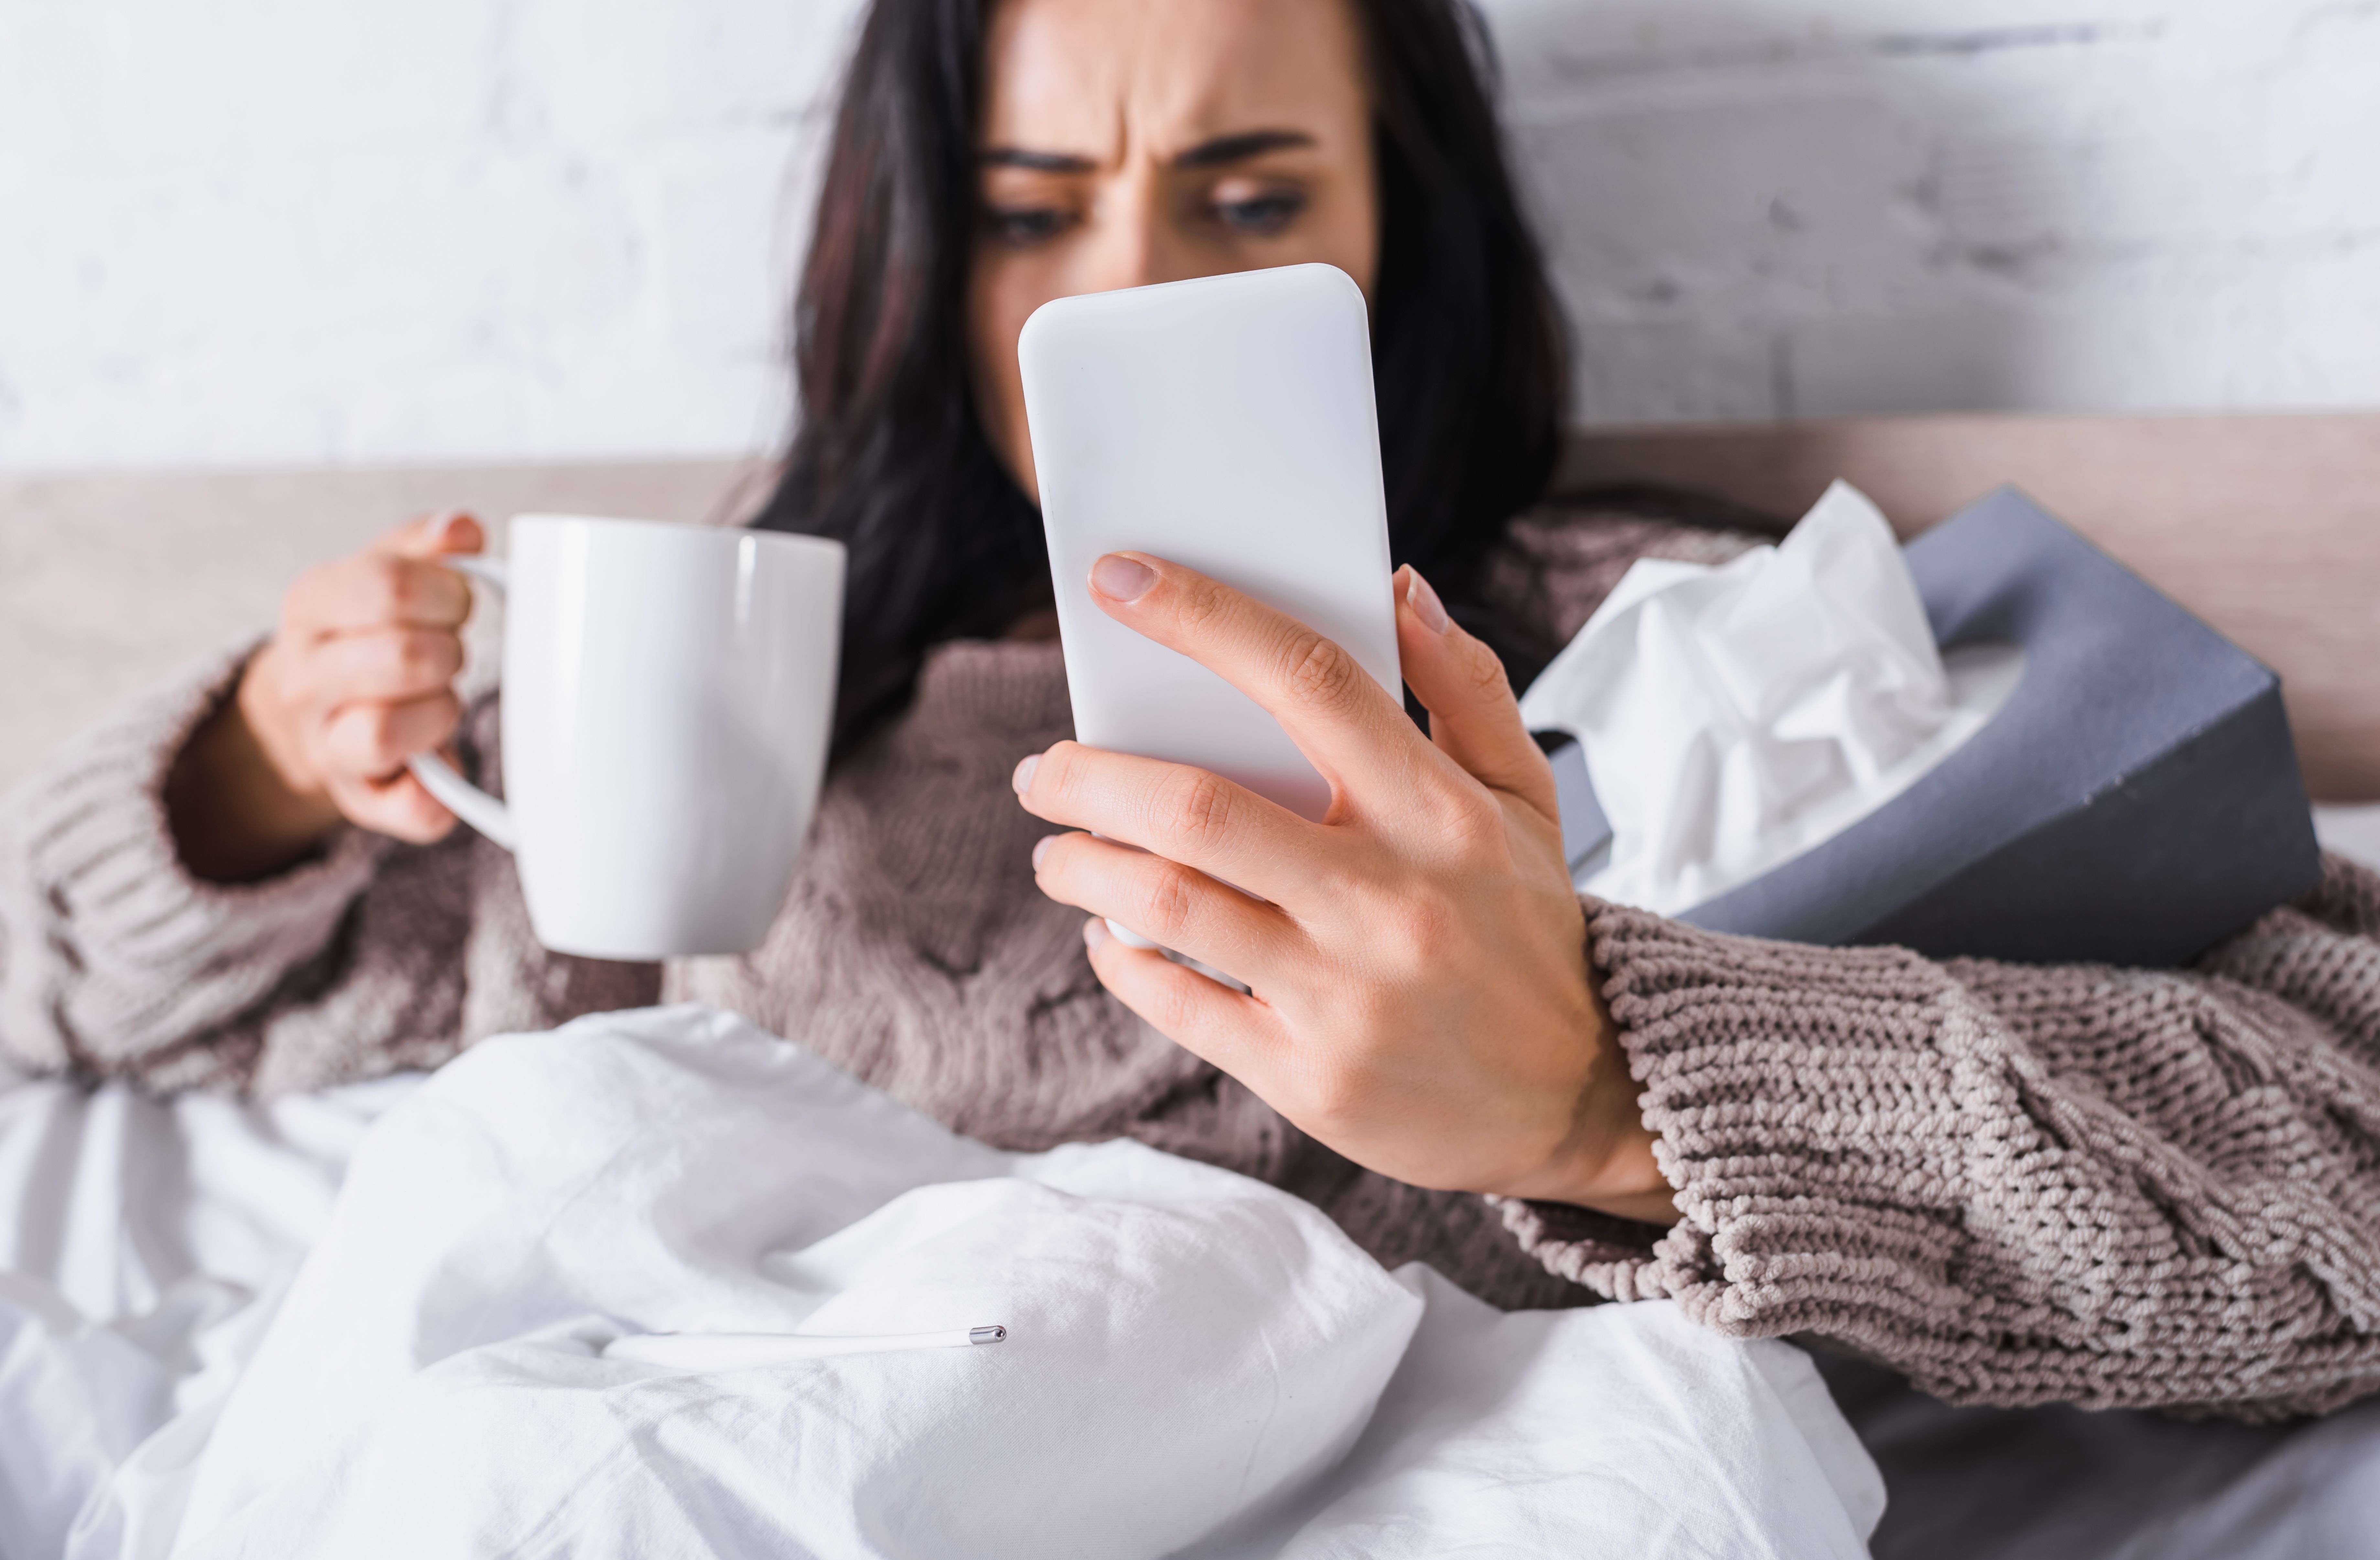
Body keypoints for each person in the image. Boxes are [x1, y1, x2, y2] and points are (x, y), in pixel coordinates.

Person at [4, 0, 2376, 1419]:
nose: (1119, 294)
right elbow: (76, 1005)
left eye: (1245, 203)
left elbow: (2338, 1186)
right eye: (1036, 210)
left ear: (1401, 229)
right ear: (925, 251)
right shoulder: (762, 703)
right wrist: (251, 774)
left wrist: (1596, 1090)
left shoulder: (1663, 648)